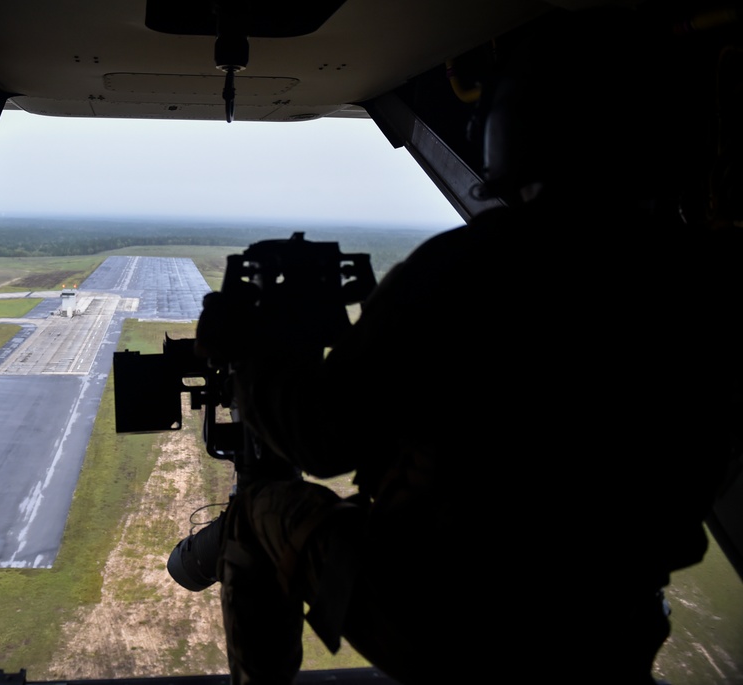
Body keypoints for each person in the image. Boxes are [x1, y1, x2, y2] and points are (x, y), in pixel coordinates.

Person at [196, 9, 741, 685]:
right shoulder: (706, 283)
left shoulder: (472, 267)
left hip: (460, 626)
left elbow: (322, 437)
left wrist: (245, 348)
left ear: (512, 130)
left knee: (259, 513)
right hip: (614, 627)